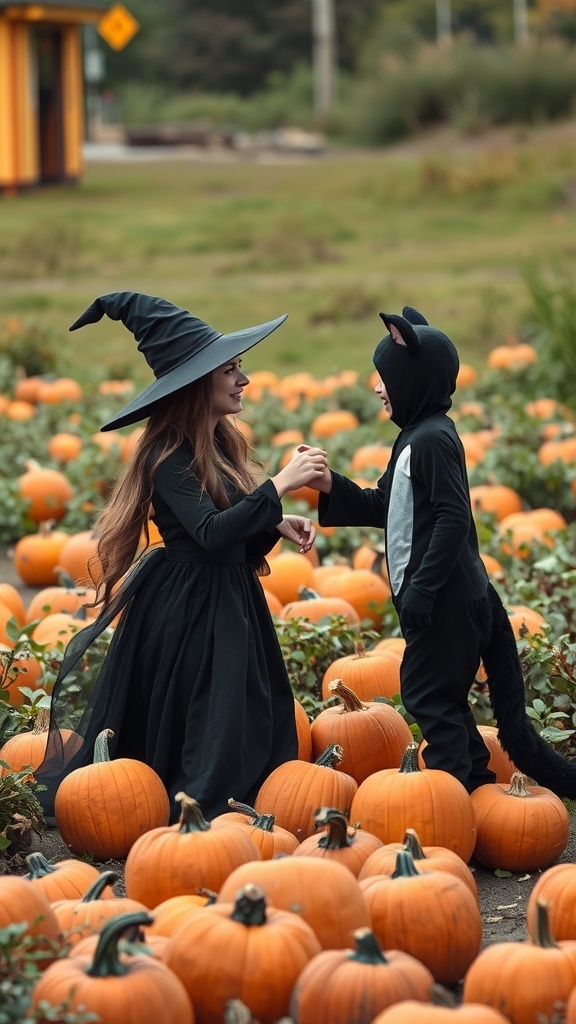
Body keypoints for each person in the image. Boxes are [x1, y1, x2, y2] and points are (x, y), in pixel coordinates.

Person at [36, 292, 328, 823]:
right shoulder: (167, 453)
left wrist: (272, 523)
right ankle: (200, 815)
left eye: (241, 368)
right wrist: (279, 486)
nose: (244, 381)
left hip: (230, 598)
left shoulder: (218, 445)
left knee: (235, 709)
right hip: (190, 606)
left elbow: (232, 542)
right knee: (205, 715)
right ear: (198, 383)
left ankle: (240, 802)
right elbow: (209, 534)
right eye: (232, 370)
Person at [305, 305, 576, 798]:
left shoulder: (430, 440)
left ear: (413, 380)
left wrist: (422, 592)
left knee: (428, 694)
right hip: (453, 597)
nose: (376, 386)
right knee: (441, 696)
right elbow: (389, 505)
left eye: (384, 376)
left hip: (447, 601)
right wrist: (331, 485)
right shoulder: (417, 436)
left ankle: (458, 796)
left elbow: (454, 517)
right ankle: (472, 782)